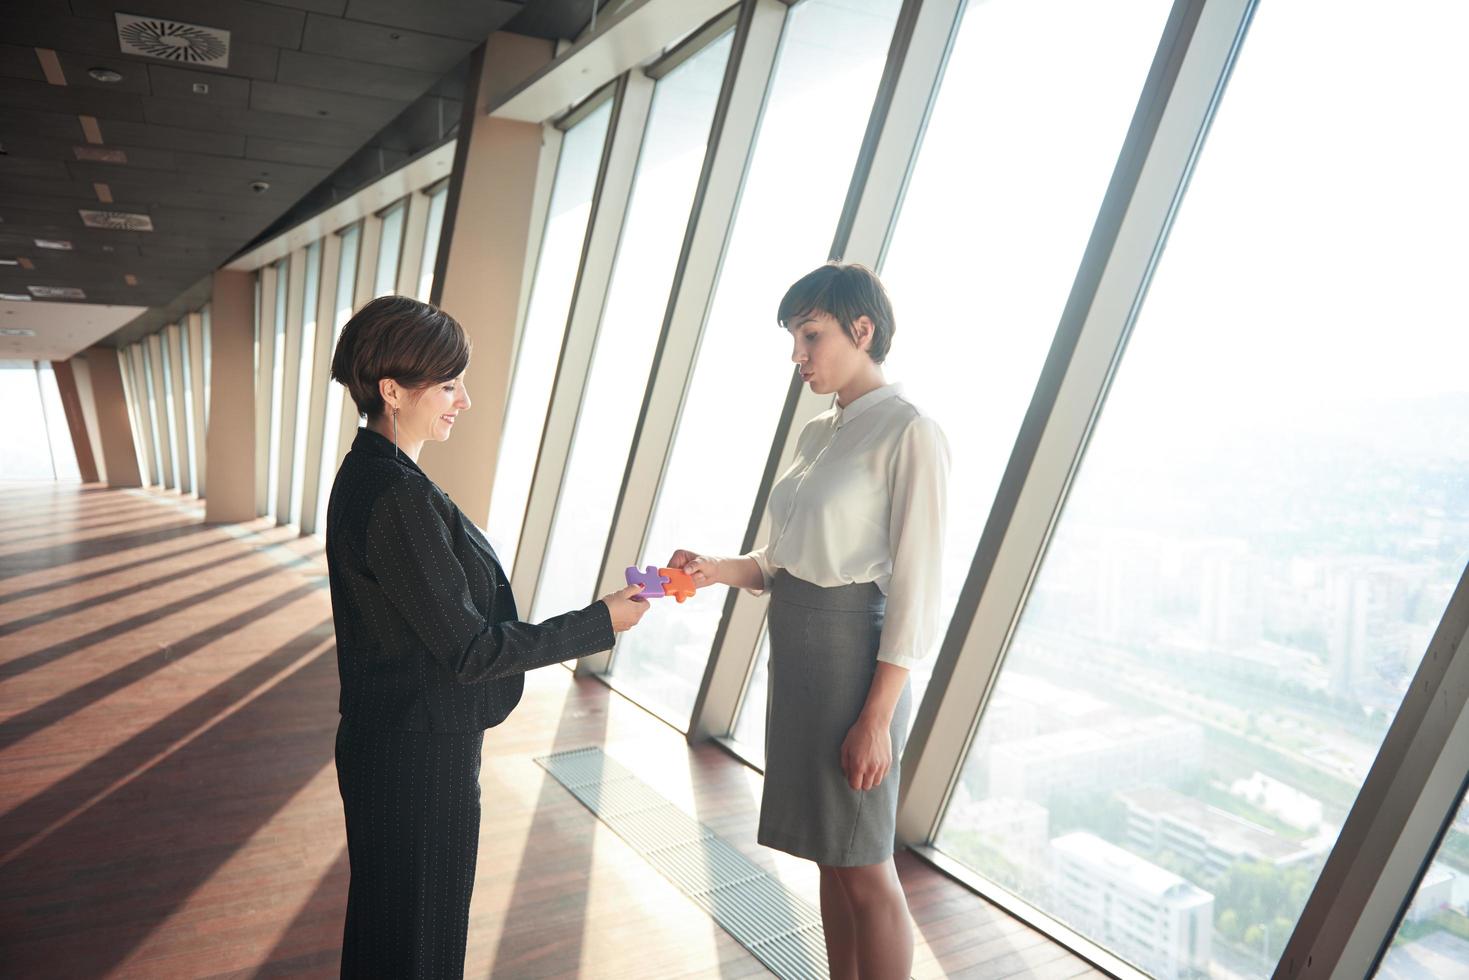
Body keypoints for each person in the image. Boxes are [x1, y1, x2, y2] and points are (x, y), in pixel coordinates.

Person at [322, 295, 649, 979]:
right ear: (391, 390)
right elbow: (471, 652)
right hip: (419, 753)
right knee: (420, 938)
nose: (462, 400)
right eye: (447, 383)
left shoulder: (366, 475)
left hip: (391, 739)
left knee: (389, 929)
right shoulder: (399, 496)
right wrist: (599, 622)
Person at [669, 263, 948, 980]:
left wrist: (875, 717)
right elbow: (784, 560)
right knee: (832, 857)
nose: (798, 355)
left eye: (810, 336)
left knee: (865, 867)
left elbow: (916, 588)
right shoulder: (817, 434)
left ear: (863, 330)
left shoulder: (908, 430)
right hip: (799, 662)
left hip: (854, 668)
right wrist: (713, 567)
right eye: (794, 338)